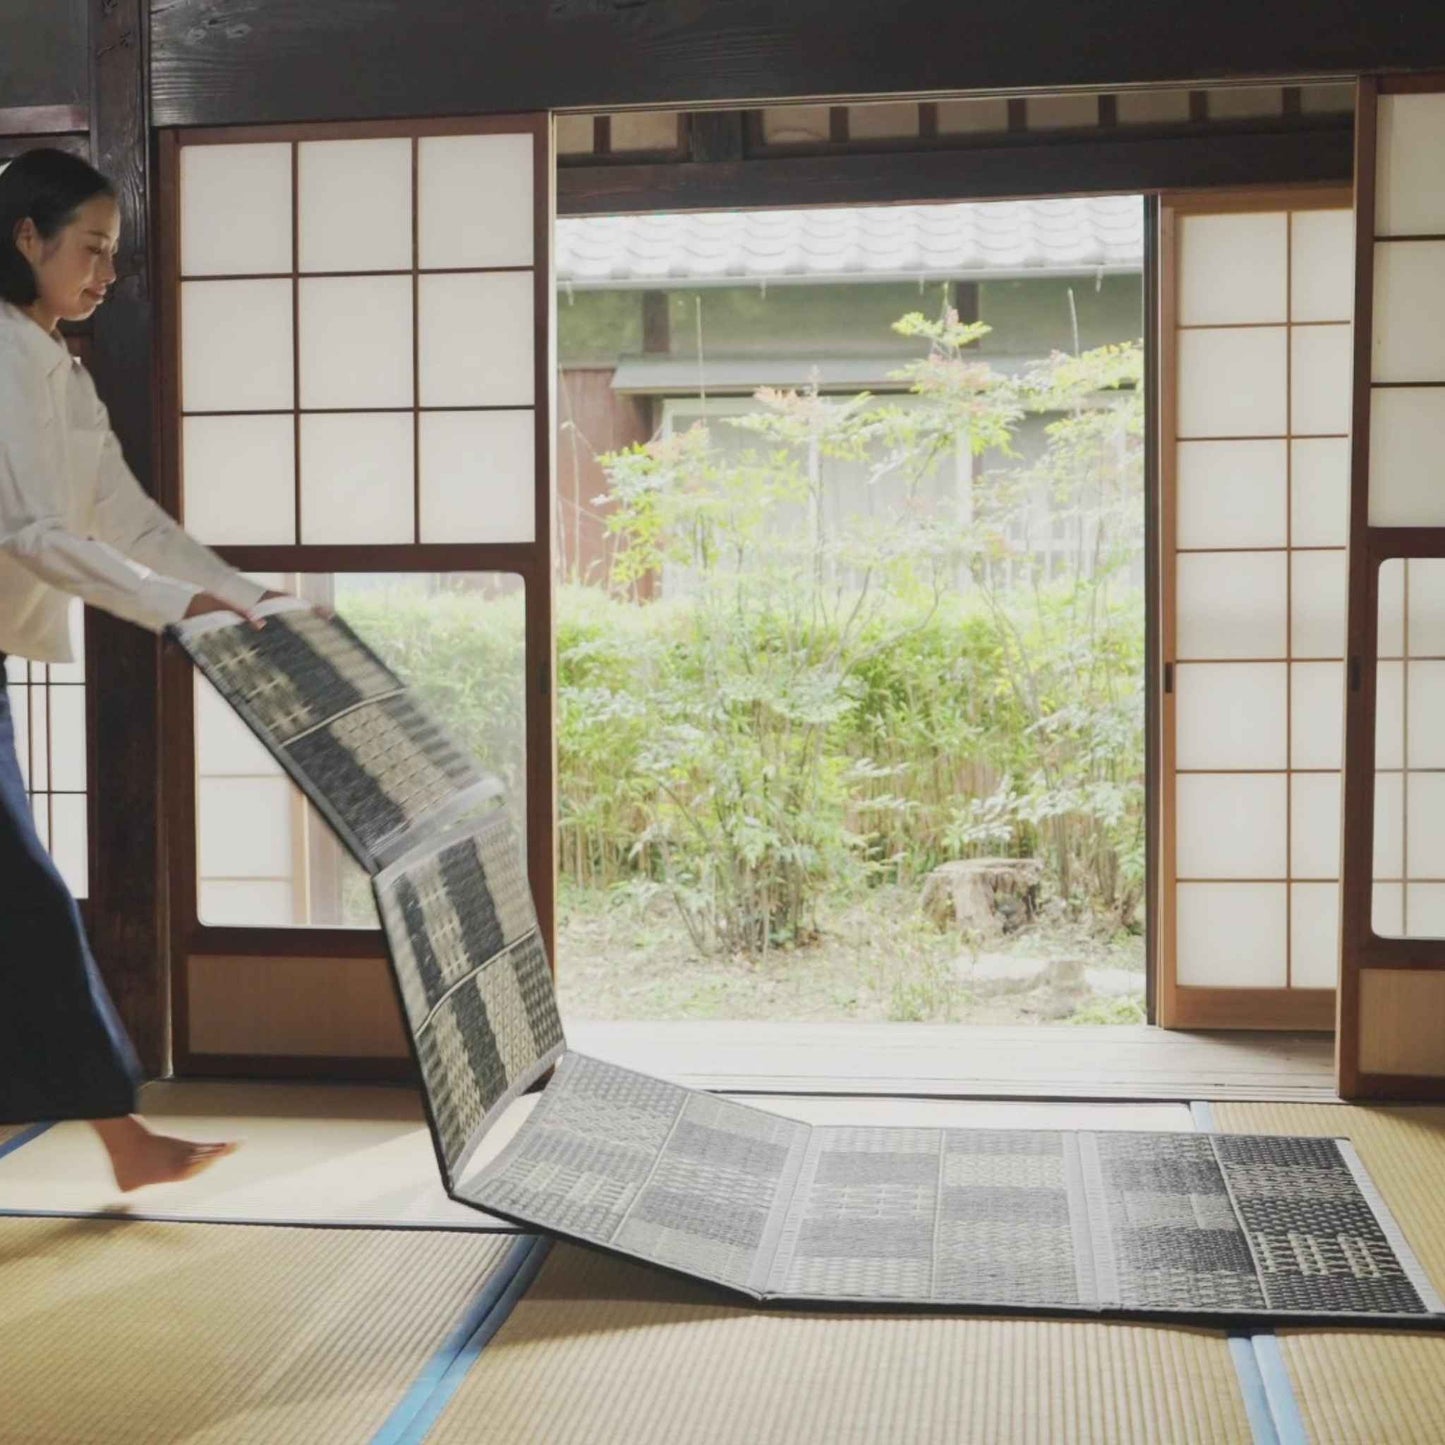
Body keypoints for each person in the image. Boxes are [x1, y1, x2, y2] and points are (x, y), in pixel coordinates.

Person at [0, 148, 274, 1190]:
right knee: (26, 895)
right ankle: (125, 1138)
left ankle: (122, 1141)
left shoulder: (52, 359)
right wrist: (172, 606)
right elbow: (27, 532)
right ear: (27, 237)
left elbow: (118, 510)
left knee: (16, 899)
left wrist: (234, 589)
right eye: (91, 248)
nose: (107, 271)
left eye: (116, 251)